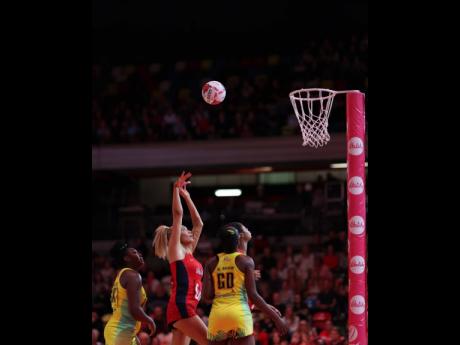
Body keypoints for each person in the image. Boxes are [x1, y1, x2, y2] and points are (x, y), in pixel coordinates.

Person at [203, 223, 289, 343]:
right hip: (239, 314)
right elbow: (253, 295)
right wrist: (276, 319)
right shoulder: (245, 261)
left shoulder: (210, 263)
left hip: (218, 316)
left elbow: (207, 296)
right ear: (238, 239)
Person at [152, 172, 207, 345]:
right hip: (182, 307)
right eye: (185, 230)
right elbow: (178, 215)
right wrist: (176, 189)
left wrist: (187, 197)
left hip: (186, 307)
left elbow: (199, 223)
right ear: (176, 235)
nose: (190, 231)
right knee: (213, 342)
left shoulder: (189, 250)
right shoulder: (175, 250)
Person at [104, 242, 156, 345]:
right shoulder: (132, 275)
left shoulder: (123, 274)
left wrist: (133, 333)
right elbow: (134, 309)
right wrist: (150, 320)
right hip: (120, 331)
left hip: (122, 330)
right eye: (134, 252)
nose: (140, 254)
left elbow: (126, 309)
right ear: (126, 258)